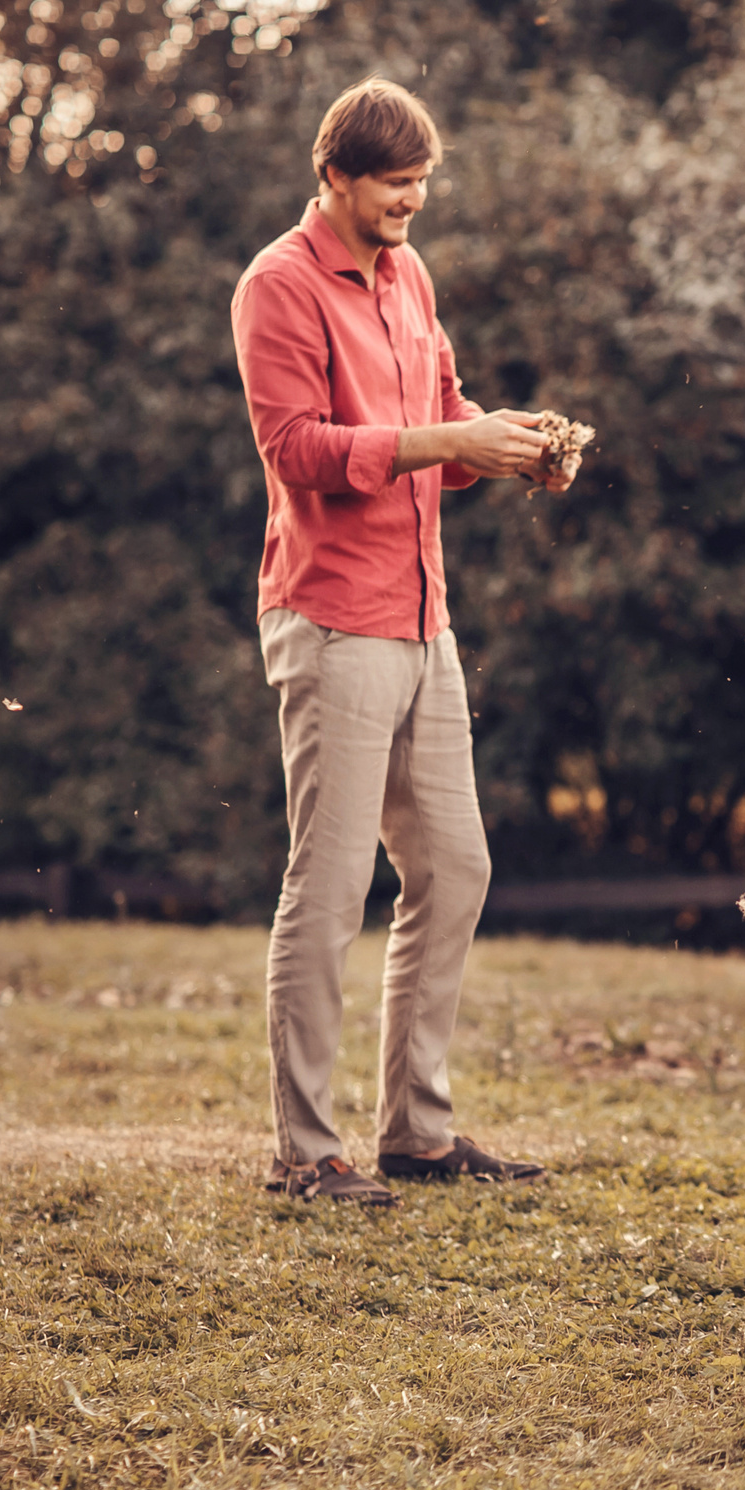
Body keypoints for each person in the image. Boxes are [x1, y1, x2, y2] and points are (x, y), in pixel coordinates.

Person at [230, 77, 572, 1207]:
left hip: (424, 620)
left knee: (456, 866)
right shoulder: (278, 286)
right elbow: (300, 450)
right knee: (327, 889)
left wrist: (513, 448)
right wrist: (448, 436)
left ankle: (415, 1134)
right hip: (330, 616)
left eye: (421, 183)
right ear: (335, 174)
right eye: (393, 184)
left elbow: (443, 416)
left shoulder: (408, 275)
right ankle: (304, 1152)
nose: (410, 203)